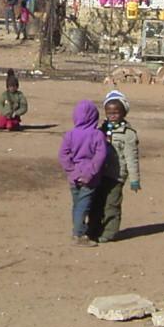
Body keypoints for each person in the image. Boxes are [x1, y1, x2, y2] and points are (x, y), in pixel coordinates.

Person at [89, 90, 141, 243]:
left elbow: (132, 158)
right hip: (99, 174)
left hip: (116, 176)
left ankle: (109, 232)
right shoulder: (100, 130)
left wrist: (134, 179)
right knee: (96, 202)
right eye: (109, 112)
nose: (112, 115)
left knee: (111, 204)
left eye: (116, 112)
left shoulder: (128, 134)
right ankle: (93, 229)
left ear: (124, 112)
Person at [58, 100, 107, 248]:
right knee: (82, 206)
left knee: (77, 205)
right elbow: (101, 156)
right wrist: (89, 172)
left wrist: (72, 170)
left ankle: (78, 230)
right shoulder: (97, 135)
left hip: (74, 177)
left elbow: (63, 154)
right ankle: (78, 234)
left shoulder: (70, 135)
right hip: (89, 178)